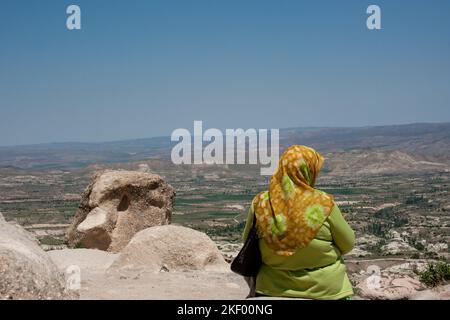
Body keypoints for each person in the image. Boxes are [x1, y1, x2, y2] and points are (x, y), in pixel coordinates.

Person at [242, 145, 355, 300]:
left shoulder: (260, 202)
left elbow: (246, 241)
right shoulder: (324, 203)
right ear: (309, 171)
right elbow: (347, 244)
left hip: (272, 287)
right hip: (326, 290)